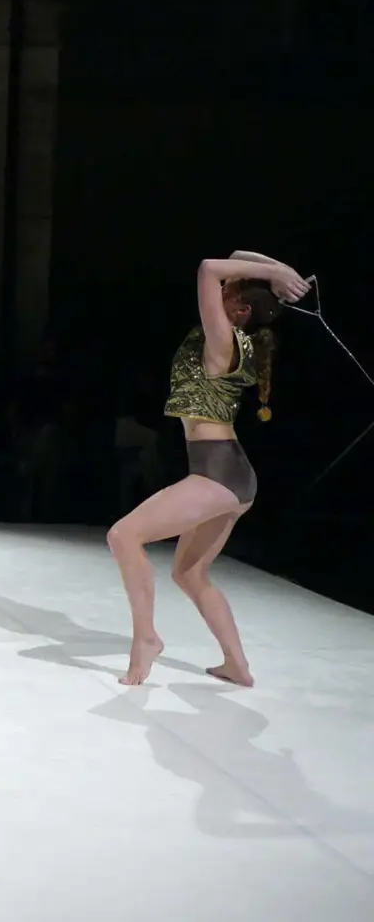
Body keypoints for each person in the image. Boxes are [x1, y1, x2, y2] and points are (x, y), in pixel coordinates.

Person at [107, 251, 310, 687]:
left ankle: (146, 638)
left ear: (240, 310)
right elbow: (234, 259)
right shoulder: (235, 336)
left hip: (217, 472)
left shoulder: (223, 339)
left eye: (228, 291)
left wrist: (274, 273)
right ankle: (237, 665)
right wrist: (280, 273)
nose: (219, 290)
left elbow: (209, 267)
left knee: (123, 536)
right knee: (189, 572)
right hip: (232, 473)